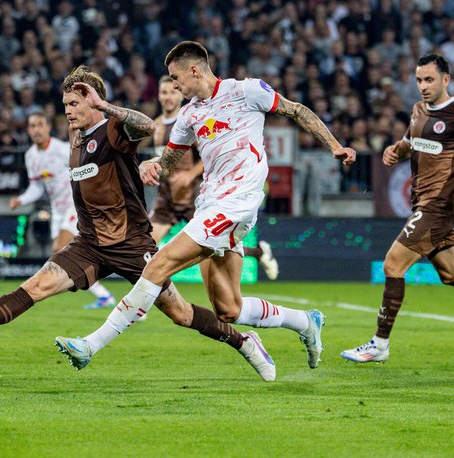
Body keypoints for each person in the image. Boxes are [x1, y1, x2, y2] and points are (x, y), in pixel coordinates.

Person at [0, 65, 276, 382]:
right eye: (65, 103)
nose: (67, 110)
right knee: (37, 286)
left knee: (181, 313)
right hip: (89, 244)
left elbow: (147, 126)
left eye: (74, 103)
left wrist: (106, 106)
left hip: (131, 244)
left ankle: (245, 342)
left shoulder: (113, 129)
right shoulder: (75, 134)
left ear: (93, 101)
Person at [57, 41, 357, 371]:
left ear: (195, 70)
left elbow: (296, 110)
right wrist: (155, 163)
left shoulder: (247, 91)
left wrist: (335, 146)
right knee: (228, 309)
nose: (173, 85)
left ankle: (91, 344)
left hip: (236, 204)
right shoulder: (189, 114)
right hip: (210, 205)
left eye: (175, 78)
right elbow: (173, 155)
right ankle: (304, 321)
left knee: (157, 266)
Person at [340, 54, 454, 364]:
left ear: (445, 80)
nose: (423, 86)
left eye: (429, 80)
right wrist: (394, 150)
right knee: (452, 274)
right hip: (423, 204)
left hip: (438, 207)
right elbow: (409, 142)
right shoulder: (417, 111)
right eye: (418, 80)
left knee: (392, 265)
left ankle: (379, 344)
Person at [144, 75, 280, 280]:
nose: (168, 97)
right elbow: (162, 159)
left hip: (193, 196)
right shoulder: (157, 126)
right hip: (167, 197)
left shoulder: (191, 120)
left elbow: (208, 155)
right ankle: (149, 296)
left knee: (218, 246)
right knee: (146, 246)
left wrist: (190, 174)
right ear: (158, 96)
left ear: (180, 94)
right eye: (164, 92)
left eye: (172, 92)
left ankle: (259, 253)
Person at [9, 112, 117, 310]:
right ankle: (103, 295)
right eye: (32, 126)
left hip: (74, 204)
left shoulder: (60, 149)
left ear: (48, 127)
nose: (36, 130)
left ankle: (104, 291)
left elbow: (84, 167)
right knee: (60, 253)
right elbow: (37, 187)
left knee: (61, 250)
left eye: (39, 125)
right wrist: (21, 199)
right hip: (57, 210)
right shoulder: (30, 156)